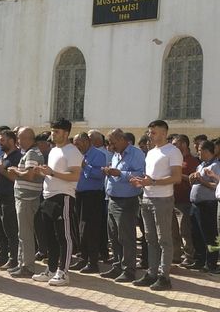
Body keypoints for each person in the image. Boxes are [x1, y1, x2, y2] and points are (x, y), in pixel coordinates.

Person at [131, 120, 183, 291]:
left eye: (153, 132)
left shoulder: (173, 151)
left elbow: (176, 177)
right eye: (149, 132)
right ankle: (152, 273)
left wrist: (152, 181)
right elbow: (150, 177)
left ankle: (164, 276)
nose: (150, 135)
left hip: (163, 199)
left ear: (164, 133)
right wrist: (142, 182)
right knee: (150, 239)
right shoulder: (151, 152)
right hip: (147, 198)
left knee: (164, 239)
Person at [32, 118, 82, 286]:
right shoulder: (53, 150)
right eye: (52, 131)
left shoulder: (72, 151)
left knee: (64, 236)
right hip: (48, 196)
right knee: (49, 237)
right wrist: (44, 172)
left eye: (57, 131)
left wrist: (52, 173)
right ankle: (51, 270)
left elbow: (75, 176)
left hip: (64, 197)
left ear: (66, 133)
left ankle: (63, 272)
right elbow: (53, 173)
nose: (53, 134)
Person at [101, 129, 146, 283]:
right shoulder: (116, 154)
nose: (111, 146)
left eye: (113, 142)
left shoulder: (136, 154)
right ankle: (117, 266)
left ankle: (129, 270)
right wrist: (109, 171)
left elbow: (141, 174)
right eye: (109, 143)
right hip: (112, 199)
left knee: (126, 237)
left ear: (122, 139)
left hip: (127, 201)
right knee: (113, 236)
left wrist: (119, 173)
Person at [8, 127, 45, 278]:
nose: (18, 141)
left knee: (25, 234)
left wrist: (16, 172)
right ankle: (21, 263)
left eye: (21, 138)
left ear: (29, 139)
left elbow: (30, 175)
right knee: (22, 233)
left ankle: (27, 266)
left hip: (27, 198)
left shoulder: (32, 153)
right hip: (24, 197)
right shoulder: (30, 153)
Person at [70, 132, 106, 273]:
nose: (76, 146)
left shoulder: (98, 155)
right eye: (75, 144)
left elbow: (99, 175)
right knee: (79, 228)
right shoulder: (76, 155)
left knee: (90, 229)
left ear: (86, 141)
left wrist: (85, 166)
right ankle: (83, 258)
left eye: (78, 143)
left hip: (93, 196)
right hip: (78, 194)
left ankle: (93, 262)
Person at [0, 130, 21, 270]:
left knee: (11, 231)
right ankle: (2, 257)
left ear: (11, 141)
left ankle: (13, 259)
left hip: (9, 198)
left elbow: (15, 178)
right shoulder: (2, 156)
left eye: (2, 140)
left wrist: (1, 170)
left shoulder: (17, 157)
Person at [189, 140, 219, 272]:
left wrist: (201, 180)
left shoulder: (215, 166)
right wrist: (192, 179)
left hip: (208, 205)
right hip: (196, 205)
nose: (198, 152)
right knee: (196, 235)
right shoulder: (201, 165)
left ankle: (211, 263)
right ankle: (200, 260)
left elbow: (216, 186)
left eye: (200, 150)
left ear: (207, 151)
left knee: (210, 235)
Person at [171, 134, 199, 266]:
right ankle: (176, 255)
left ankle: (189, 256)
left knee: (185, 231)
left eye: (175, 144)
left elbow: (192, 180)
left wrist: (177, 174)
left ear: (183, 144)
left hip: (184, 201)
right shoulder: (175, 160)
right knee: (173, 230)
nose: (173, 146)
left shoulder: (192, 161)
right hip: (172, 199)